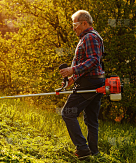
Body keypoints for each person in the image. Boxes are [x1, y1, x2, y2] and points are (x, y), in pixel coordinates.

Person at [59, 10, 105, 160]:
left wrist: (73, 69)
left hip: (89, 83)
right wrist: (73, 78)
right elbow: (89, 63)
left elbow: (93, 61)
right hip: (95, 80)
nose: (74, 28)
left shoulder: (90, 37)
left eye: (75, 24)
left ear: (84, 23)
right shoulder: (90, 37)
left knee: (68, 112)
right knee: (91, 119)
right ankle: (93, 152)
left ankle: (82, 148)